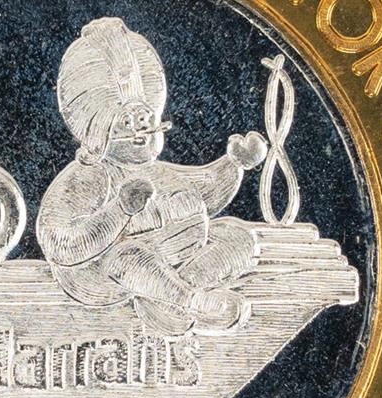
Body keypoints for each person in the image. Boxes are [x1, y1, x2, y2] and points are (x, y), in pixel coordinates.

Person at [38, 17, 268, 337]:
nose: (141, 128)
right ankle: (191, 300)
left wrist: (234, 164)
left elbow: (205, 192)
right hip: (103, 276)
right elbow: (60, 244)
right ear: (100, 128)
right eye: (127, 122)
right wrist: (119, 210)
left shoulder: (157, 171)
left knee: (237, 238)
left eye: (145, 117)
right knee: (129, 256)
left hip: (173, 258)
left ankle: (167, 299)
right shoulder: (87, 178)